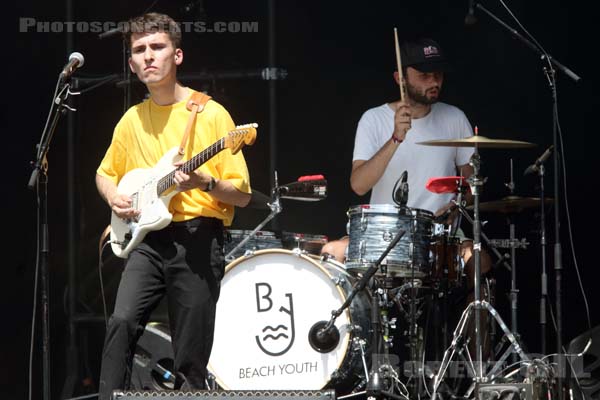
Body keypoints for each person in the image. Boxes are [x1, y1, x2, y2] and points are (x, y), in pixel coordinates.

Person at [95, 13, 251, 399]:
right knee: (121, 322)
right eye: (139, 50)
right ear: (131, 65)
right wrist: (112, 195)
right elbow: (104, 173)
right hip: (148, 240)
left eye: (157, 47)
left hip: (197, 240)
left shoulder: (211, 114)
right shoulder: (132, 119)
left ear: (177, 55)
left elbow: (243, 194)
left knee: (189, 353)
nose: (148, 56)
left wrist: (205, 182)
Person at [321, 36, 491, 286]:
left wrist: (456, 205)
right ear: (400, 79)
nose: (434, 82)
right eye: (424, 75)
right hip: (381, 232)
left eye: (438, 74)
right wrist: (396, 138)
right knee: (330, 253)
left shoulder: (455, 118)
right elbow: (358, 185)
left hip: (439, 235)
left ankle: (472, 325)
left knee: (480, 264)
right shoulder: (374, 119)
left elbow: (472, 186)